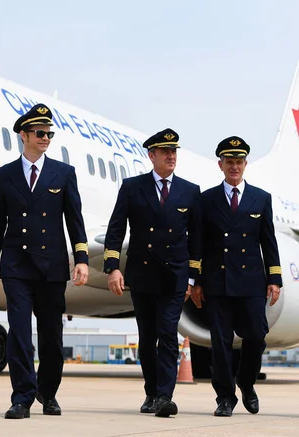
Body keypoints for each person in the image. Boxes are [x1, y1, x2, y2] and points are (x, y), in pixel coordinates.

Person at [0, 103, 89, 419]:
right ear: (24, 135)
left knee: (51, 337)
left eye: (49, 133)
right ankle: (22, 397)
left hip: (52, 267)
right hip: (16, 266)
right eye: (40, 133)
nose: (45, 138)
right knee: (18, 332)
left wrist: (81, 259)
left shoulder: (63, 174)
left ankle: (48, 392)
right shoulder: (4, 176)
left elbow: (75, 220)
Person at [103, 128, 202, 417]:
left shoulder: (189, 191)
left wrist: (193, 278)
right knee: (146, 339)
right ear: (152, 155)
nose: (171, 156)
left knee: (167, 334)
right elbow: (116, 229)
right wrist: (112, 268)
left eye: (174, 152)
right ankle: (151, 392)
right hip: (143, 274)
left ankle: (164, 396)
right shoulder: (133, 187)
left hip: (174, 277)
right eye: (165, 152)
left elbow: (196, 240)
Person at [191, 136, 282, 417]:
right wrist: (195, 281)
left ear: (245, 164)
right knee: (220, 342)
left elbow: (268, 241)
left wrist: (274, 278)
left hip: (251, 282)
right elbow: (197, 243)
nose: (234, 167)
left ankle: (246, 381)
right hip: (218, 282)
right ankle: (225, 398)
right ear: (220, 164)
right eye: (229, 162)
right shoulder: (206, 200)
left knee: (257, 336)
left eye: (239, 162)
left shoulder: (260, 198)